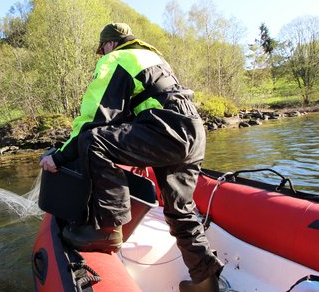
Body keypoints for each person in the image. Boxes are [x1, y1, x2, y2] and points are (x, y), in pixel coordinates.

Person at [40, 23, 224, 292]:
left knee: (93, 140)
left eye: (101, 49)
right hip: (193, 131)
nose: (101, 54)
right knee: (180, 211)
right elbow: (145, 108)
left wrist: (60, 156)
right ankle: (206, 281)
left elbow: (95, 119)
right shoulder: (153, 59)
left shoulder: (116, 59)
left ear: (110, 44)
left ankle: (108, 230)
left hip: (167, 130)